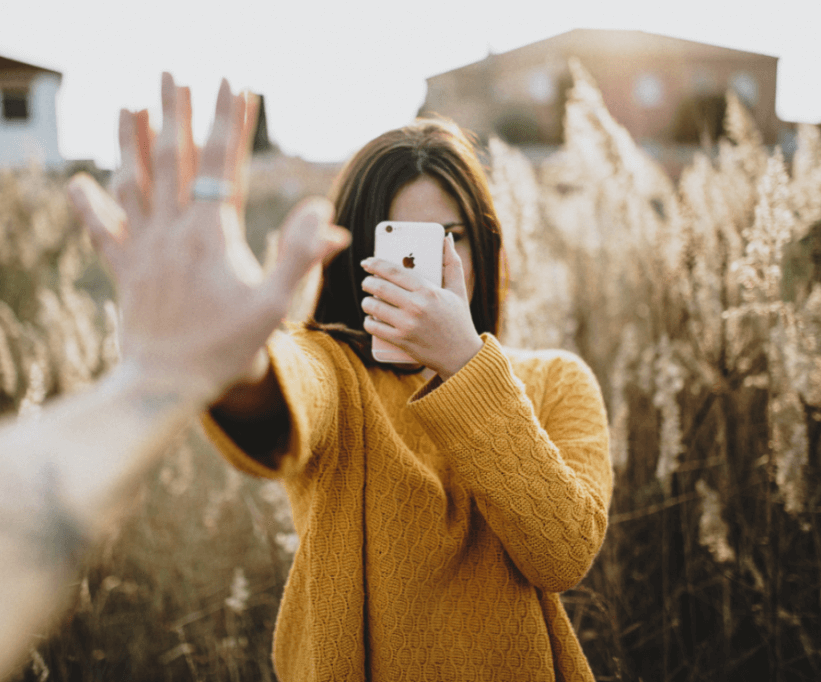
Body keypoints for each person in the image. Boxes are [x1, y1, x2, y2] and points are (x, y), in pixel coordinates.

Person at [0, 74, 348, 682]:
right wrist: (165, 373)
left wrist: (160, 374)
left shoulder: (505, 373)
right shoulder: (336, 365)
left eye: (453, 238)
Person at [192, 85, 615, 679]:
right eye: (401, 244)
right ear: (357, 255)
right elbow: (282, 395)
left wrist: (466, 366)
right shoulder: (334, 369)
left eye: (454, 236)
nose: (434, 268)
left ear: (484, 244)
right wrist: (239, 357)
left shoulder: (556, 381)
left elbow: (564, 553)